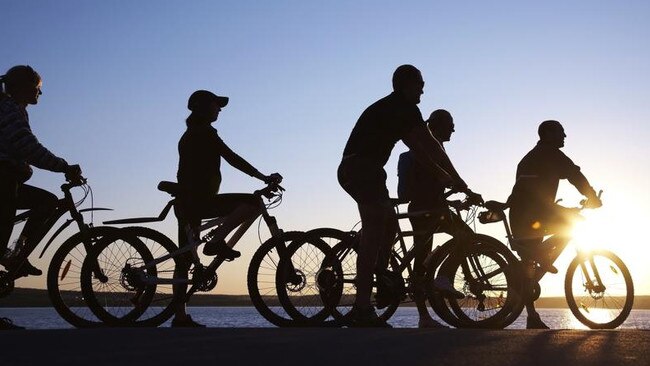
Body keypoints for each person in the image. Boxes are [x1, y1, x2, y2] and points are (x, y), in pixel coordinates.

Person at [338, 65, 471, 327]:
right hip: (361, 169)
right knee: (376, 234)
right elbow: (430, 145)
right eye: (420, 83)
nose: (423, 88)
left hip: (369, 171)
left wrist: (446, 176)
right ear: (407, 84)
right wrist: (458, 180)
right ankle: (362, 307)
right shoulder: (403, 107)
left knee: (389, 231)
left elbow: (420, 150)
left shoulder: (397, 109)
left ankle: (382, 280)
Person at [172, 89, 280, 327]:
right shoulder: (204, 133)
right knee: (252, 203)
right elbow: (232, 158)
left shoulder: (191, 133)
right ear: (203, 108)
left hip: (187, 202)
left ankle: (179, 316)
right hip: (198, 202)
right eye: (215, 105)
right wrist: (263, 177)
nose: (219, 109)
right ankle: (216, 242)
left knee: (184, 259)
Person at [0, 65, 82, 330]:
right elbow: (26, 146)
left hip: (8, 177)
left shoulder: (15, 108)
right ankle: (14, 255)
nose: (40, 93)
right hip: (2, 178)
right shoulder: (9, 108)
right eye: (38, 88)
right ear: (25, 87)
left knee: (45, 202)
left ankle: (16, 255)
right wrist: (63, 166)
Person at [507, 120, 602, 329]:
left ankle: (532, 316)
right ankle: (544, 259)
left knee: (528, 265)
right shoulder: (550, 153)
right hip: (536, 212)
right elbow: (574, 174)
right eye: (561, 132)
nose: (565, 136)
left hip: (521, 213)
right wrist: (592, 197)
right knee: (574, 221)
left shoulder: (529, 157)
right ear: (548, 134)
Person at [397, 109, 478, 328]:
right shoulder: (430, 147)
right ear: (437, 125)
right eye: (450, 124)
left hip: (425, 208)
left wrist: (453, 200)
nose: (453, 128)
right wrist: (468, 192)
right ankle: (442, 278)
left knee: (421, 261)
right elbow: (452, 178)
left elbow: (433, 186)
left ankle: (424, 316)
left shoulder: (427, 148)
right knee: (467, 237)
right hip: (430, 210)